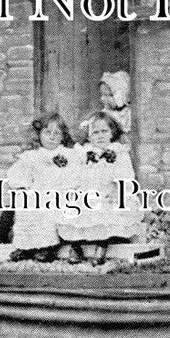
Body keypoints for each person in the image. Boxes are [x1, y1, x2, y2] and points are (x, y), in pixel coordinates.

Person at [58, 113, 142, 264]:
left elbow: (127, 179)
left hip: (111, 194)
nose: (100, 136)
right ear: (89, 137)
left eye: (104, 131)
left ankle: (101, 246)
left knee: (111, 210)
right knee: (76, 208)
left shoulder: (119, 153)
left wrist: (116, 184)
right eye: (95, 133)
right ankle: (76, 246)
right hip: (89, 194)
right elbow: (75, 176)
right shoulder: (84, 154)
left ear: (112, 133)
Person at [4, 113, 78, 261]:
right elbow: (18, 175)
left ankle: (48, 248)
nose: (52, 137)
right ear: (39, 134)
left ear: (63, 136)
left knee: (52, 210)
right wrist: (22, 188)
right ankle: (27, 247)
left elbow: (76, 174)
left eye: (57, 133)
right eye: (47, 132)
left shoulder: (69, 154)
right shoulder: (32, 155)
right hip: (37, 193)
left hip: (60, 193)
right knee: (28, 208)